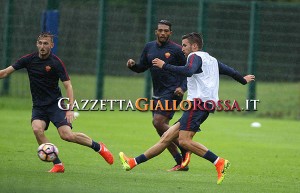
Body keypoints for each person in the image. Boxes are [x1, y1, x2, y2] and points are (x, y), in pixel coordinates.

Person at [119, 32, 255, 184]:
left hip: (198, 105)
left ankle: (219, 162)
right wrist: (243, 80)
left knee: (184, 141)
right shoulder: (211, 59)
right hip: (202, 105)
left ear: (194, 46)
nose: (182, 48)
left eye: (185, 45)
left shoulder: (194, 57)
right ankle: (132, 162)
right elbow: (231, 71)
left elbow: (189, 70)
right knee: (166, 137)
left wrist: (165, 65)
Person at [0, 32, 114, 173]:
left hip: (56, 105)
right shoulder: (28, 59)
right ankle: (58, 164)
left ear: (51, 45)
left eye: (46, 43)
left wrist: (70, 108)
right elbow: (4, 73)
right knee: (37, 129)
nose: (42, 46)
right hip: (39, 106)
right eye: (40, 43)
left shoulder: (56, 62)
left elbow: (68, 86)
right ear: (37, 44)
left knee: (67, 135)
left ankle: (99, 147)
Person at [126, 20, 190, 171]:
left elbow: (188, 72)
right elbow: (142, 67)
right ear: (156, 31)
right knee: (160, 128)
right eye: (160, 30)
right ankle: (180, 161)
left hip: (173, 92)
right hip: (158, 93)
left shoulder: (177, 50)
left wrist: (182, 87)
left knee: (158, 122)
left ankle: (185, 145)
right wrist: (133, 66)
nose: (162, 33)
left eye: (166, 31)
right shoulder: (149, 47)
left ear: (170, 33)